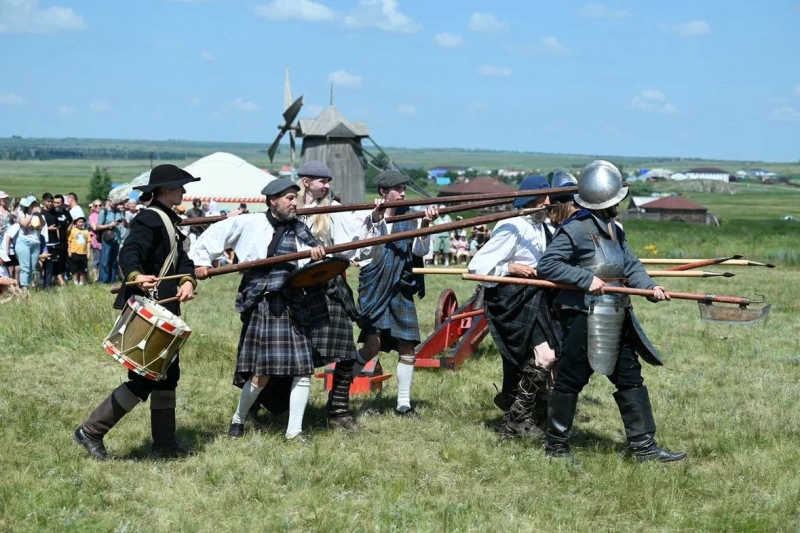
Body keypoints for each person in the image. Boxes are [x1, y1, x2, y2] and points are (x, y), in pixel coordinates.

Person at [537, 160, 686, 463]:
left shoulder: (615, 230)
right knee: (570, 380)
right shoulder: (574, 230)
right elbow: (548, 265)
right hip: (582, 315)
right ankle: (556, 448)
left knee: (630, 378)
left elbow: (630, 266)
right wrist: (585, 278)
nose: (619, 204)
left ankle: (644, 448)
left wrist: (650, 288)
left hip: (617, 313)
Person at [73, 164, 198, 461]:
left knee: (167, 376)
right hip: (149, 309)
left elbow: (182, 260)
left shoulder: (168, 219)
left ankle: (165, 445)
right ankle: (91, 431)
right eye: (180, 187)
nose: (184, 191)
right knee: (144, 378)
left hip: (164, 307)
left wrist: (187, 280)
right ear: (165, 191)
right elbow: (128, 253)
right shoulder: (149, 219)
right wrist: (135, 275)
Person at [251, 161, 386, 431]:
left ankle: (337, 410)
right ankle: (259, 401)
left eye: (328, 181)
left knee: (345, 350)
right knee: (285, 352)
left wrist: (375, 219)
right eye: (321, 181)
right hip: (292, 288)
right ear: (306, 182)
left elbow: (354, 240)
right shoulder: (290, 208)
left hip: (328, 286)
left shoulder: (334, 210)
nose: (326, 186)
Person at [191, 179, 329, 441]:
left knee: (302, 369)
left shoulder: (302, 230)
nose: (293, 203)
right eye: (288, 198)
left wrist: (317, 258)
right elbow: (215, 235)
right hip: (264, 301)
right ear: (272, 200)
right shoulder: (250, 222)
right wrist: (201, 261)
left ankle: (294, 431)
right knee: (261, 372)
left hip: (293, 300)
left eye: (295, 198)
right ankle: (238, 420)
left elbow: (313, 270)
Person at [469, 175, 559, 440]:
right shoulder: (511, 225)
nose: (549, 202)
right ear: (533, 198)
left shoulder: (545, 229)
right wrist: (509, 267)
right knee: (543, 357)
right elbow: (478, 266)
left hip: (536, 298)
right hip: (512, 300)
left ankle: (525, 416)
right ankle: (516, 420)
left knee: (543, 358)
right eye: (545, 196)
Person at [352, 170, 439, 416]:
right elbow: (361, 252)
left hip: (400, 286)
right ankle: (339, 394)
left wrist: (425, 224)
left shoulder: (412, 216)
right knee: (371, 347)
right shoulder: (366, 215)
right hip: (374, 286)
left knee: (407, 345)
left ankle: (403, 404)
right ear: (383, 192)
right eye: (398, 189)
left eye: (404, 189)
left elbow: (421, 251)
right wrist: (377, 220)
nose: (403, 193)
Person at [14, 196, 47, 290]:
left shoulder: (40, 215)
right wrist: (32, 214)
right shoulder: (22, 213)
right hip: (24, 241)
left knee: (32, 267)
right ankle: (24, 288)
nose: (35, 206)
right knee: (25, 267)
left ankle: (29, 287)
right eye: (33, 204)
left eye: (36, 204)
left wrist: (40, 215)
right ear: (29, 205)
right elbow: (24, 224)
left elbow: (43, 224)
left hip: (35, 242)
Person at [96, 199, 124, 283]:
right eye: (112, 201)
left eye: (116, 202)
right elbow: (98, 227)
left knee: (114, 261)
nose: (114, 204)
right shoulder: (104, 212)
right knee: (105, 260)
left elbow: (123, 224)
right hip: (107, 238)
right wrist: (109, 225)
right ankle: (103, 281)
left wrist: (124, 222)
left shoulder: (119, 212)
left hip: (117, 238)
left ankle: (112, 280)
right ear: (109, 201)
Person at [67, 217, 91, 285]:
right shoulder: (73, 231)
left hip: (83, 253)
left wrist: (88, 252)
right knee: (75, 269)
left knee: (82, 269)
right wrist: (69, 250)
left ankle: (81, 281)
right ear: (76, 223)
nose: (81, 223)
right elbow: (69, 241)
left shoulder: (86, 231)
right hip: (75, 252)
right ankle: (75, 281)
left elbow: (88, 242)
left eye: (82, 222)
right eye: (79, 222)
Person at [87, 200, 103, 282]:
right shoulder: (92, 216)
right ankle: (95, 277)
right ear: (93, 207)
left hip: (104, 241)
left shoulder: (103, 214)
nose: (98, 207)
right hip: (96, 241)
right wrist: (108, 225)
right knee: (97, 260)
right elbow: (94, 227)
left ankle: (102, 277)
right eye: (96, 205)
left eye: (100, 205)